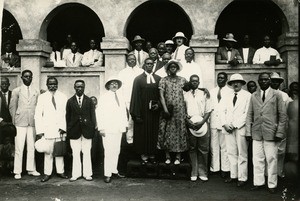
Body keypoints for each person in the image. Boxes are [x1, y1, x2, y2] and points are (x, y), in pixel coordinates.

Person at [246, 72, 287, 194]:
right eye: (261, 80)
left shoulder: (277, 94)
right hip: (257, 132)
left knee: (271, 159)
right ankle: (258, 182)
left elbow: (282, 115)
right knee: (257, 159)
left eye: (266, 80)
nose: (263, 82)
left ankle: (272, 184)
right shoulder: (253, 95)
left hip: (271, 132)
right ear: (258, 82)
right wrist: (248, 132)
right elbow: (249, 115)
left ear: (269, 81)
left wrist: (279, 132)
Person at [34, 77, 68, 182]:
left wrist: (64, 127)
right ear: (47, 85)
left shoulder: (63, 96)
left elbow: (66, 114)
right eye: (50, 84)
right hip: (47, 128)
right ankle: (47, 173)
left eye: (54, 84)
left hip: (59, 129)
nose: (52, 86)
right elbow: (38, 115)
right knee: (48, 152)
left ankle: (60, 171)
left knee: (59, 150)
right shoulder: (42, 97)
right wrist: (39, 131)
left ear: (57, 85)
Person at [221, 74, 251, 187]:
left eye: (238, 82)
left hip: (240, 127)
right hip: (228, 128)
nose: (236, 84)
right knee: (231, 152)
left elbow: (247, 113)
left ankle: (242, 177)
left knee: (242, 153)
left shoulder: (247, 96)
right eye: (233, 82)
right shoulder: (226, 95)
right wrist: (225, 124)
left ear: (242, 83)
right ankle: (233, 175)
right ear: (231, 84)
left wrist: (234, 125)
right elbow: (221, 110)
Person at [9, 70, 40, 179]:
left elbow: (38, 107)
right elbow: (12, 107)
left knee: (31, 146)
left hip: (32, 122)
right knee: (19, 147)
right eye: (26, 77)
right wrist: (14, 122)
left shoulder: (36, 91)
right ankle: (17, 171)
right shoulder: (16, 91)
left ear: (32, 78)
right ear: (22, 78)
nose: (28, 78)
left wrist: (37, 122)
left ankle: (31, 169)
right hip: (20, 122)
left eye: (30, 77)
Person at [130, 58, 161, 165]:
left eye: (151, 64)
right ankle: (143, 156)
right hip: (142, 112)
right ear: (144, 65)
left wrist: (159, 105)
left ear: (153, 65)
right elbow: (135, 97)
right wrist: (136, 114)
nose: (149, 65)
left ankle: (152, 155)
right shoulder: (138, 79)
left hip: (154, 112)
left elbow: (162, 96)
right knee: (142, 133)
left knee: (153, 132)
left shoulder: (158, 79)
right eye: (147, 64)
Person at [97, 77, 128, 183]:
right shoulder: (104, 97)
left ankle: (114, 170)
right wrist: (101, 128)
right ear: (108, 86)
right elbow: (99, 113)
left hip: (118, 129)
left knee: (116, 151)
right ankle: (107, 174)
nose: (114, 85)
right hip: (108, 128)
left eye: (116, 84)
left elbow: (123, 112)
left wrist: (124, 125)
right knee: (109, 151)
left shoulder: (120, 96)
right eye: (112, 84)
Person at [157, 59, 188, 165]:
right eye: (171, 67)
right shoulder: (163, 80)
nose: (173, 68)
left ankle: (178, 157)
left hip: (179, 110)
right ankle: (167, 156)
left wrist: (203, 89)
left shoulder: (182, 80)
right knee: (167, 131)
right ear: (168, 69)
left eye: (175, 67)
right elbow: (161, 95)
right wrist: (165, 109)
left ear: (177, 69)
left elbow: (191, 89)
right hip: (168, 109)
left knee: (179, 131)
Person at [117, 54, 143, 175]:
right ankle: (125, 164)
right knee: (127, 129)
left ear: (136, 60)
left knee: (138, 128)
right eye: (129, 60)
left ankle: (139, 158)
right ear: (127, 61)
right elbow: (120, 90)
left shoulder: (141, 71)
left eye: (133, 59)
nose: (132, 61)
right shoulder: (122, 73)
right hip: (126, 103)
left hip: (138, 103)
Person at [66, 80, 96, 181]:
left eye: (81, 87)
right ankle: (76, 174)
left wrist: (92, 128)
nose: (79, 89)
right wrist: (69, 129)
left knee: (87, 152)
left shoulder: (89, 101)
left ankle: (87, 174)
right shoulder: (70, 101)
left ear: (84, 88)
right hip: (74, 131)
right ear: (74, 87)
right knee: (75, 152)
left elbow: (93, 116)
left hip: (87, 131)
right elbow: (67, 117)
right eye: (78, 87)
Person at [184, 74, 211, 181]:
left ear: (199, 83)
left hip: (202, 124)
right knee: (192, 148)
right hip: (190, 124)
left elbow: (208, 110)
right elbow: (183, 111)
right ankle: (194, 171)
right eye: (192, 81)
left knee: (203, 149)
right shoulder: (185, 95)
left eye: (196, 81)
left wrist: (202, 122)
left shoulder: (204, 94)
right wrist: (188, 121)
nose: (194, 83)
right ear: (190, 82)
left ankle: (203, 172)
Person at [209, 72, 231, 178]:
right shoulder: (212, 91)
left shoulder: (230, 92)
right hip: (213, 121)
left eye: (222, 78)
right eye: (219, 78)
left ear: (226, 79)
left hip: (224, 122)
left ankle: (225, 168)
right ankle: (215, 167)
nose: (220, 80)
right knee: (214, 146)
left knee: (224, 146)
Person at [270, 72, 291, 178]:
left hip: (281, 126)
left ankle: (279, 172)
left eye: (277, 81)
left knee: (280, 151)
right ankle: (268, 174)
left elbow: (289, 109)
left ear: (280, 83)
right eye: (273, 81)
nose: (275, 83)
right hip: (269, 126)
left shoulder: (284, 95)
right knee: (269, 152)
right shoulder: (265, 94)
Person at [0, 77, 15, 175]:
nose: (4, 85)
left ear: (9, 84)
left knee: (10, 144)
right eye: (2, 84)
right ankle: (1, 166)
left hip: (11, 124)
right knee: (1, 144)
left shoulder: (13, 94)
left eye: (6, 84)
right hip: (1, 124)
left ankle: (10, 166)